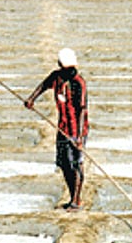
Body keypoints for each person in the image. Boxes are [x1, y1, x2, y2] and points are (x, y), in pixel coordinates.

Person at [24, 47, 88, 211]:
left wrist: (79, 137)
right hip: (62, 127)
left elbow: (81, 110)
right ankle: (72, 196)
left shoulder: (79, 83)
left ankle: (76, 200)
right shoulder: (56, 77)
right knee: (64, 163)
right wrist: (31, 99)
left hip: (76, 130)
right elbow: (43, 85)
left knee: (76, 164)